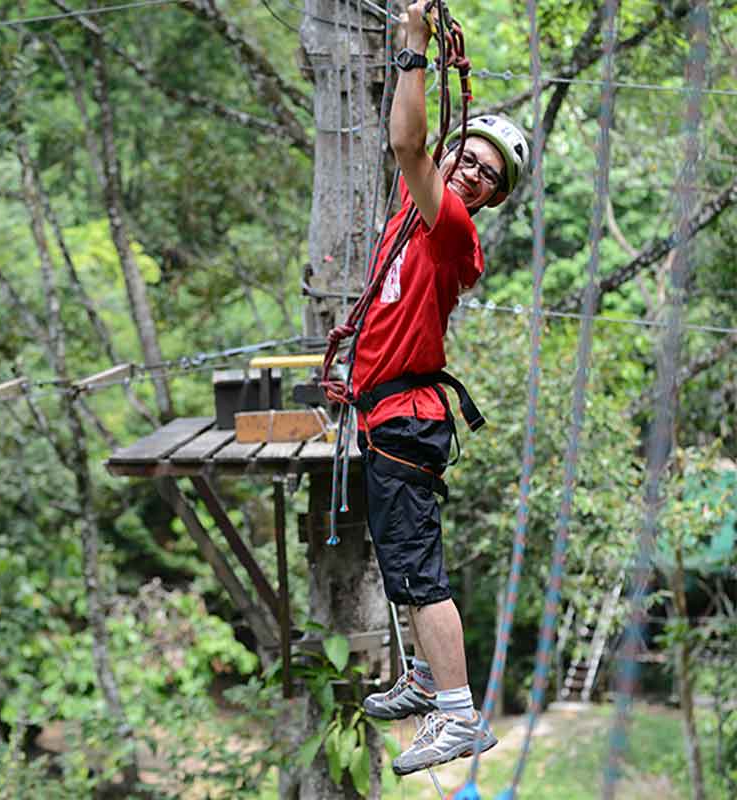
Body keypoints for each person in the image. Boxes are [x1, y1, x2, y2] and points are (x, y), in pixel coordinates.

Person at [352, 0, 529, 777]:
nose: (474, 172)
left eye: (490, 175)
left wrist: (414, 48)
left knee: (421, 578)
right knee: (401, 564)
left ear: (489, 197)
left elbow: (405, 141)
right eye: (473, 157)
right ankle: (427, 678)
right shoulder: (414, 215)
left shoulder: (451, 225)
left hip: (406, 418)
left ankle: (458, 715)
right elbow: (414, 150)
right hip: (385, 410)